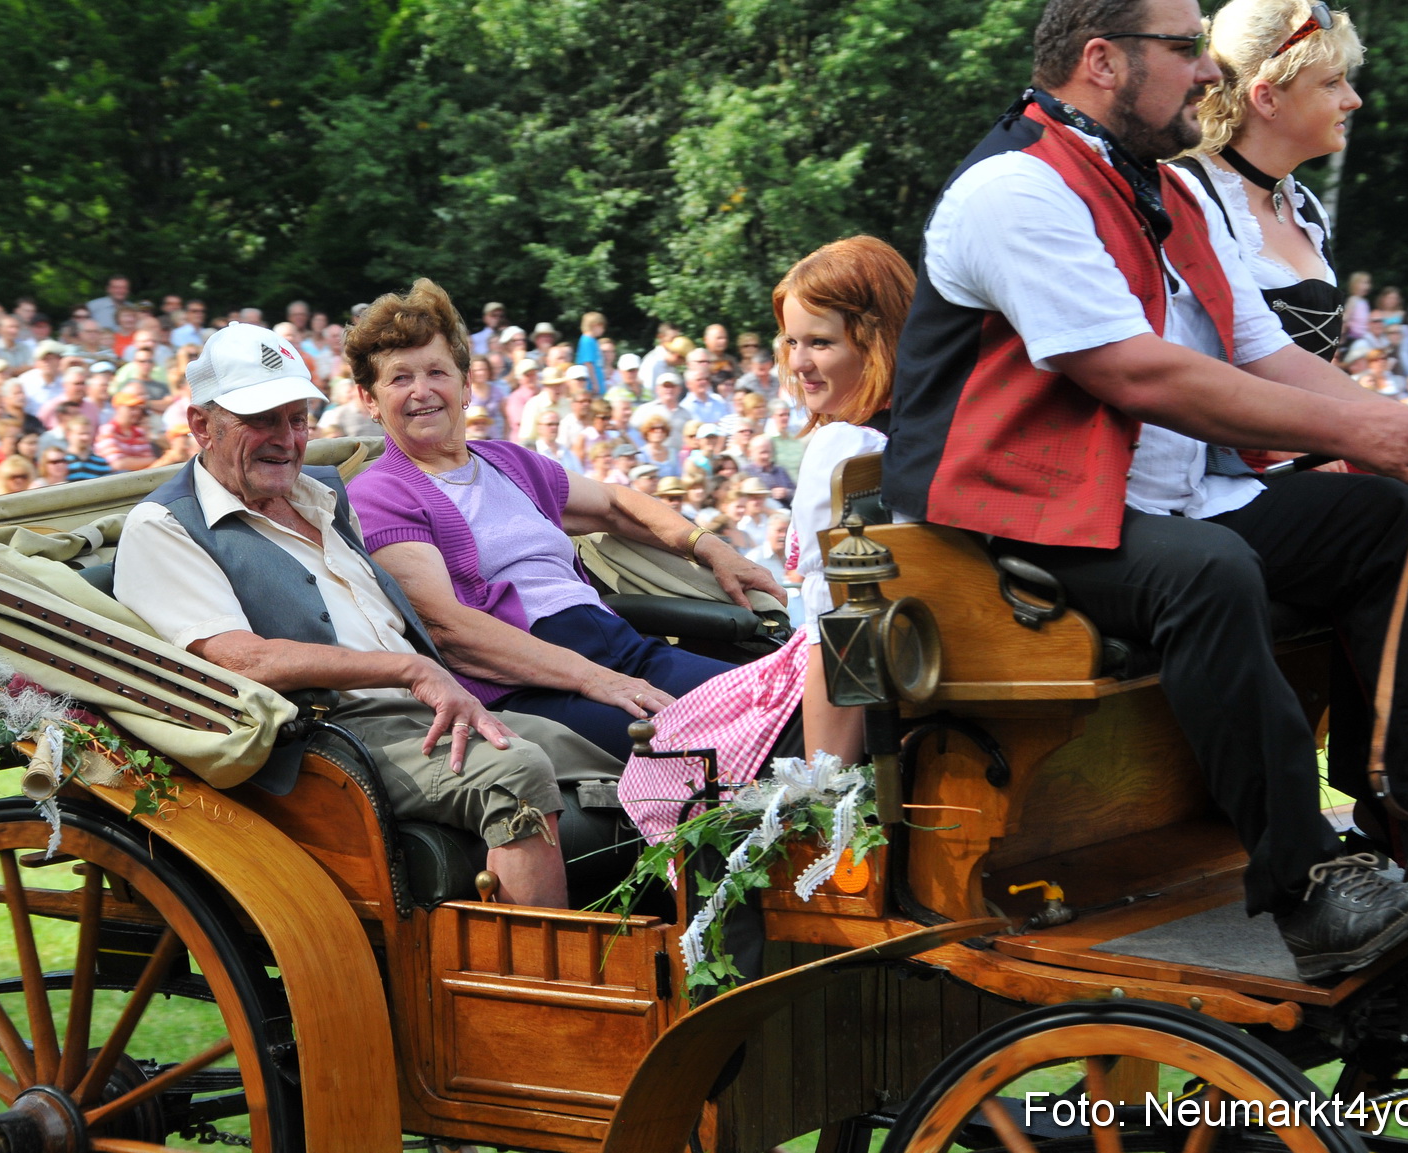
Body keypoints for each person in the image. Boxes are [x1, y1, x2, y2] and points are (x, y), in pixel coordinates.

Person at [881, 0, 1408, 981]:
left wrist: (1407, 427)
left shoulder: (1170, 190)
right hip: (1004, 522)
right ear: (1101, 61)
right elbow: (1135, 373)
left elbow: (1262, 352)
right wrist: (1358, 431)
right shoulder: (1011, 188)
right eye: (1183, 48)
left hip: (1145, 507)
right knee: (1205, 572)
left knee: (1388, 520)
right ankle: (1307, 889)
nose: (1208, 70)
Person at [113, 322, 617, 907]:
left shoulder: (323, 495)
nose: (286, 439)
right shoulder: (164, 525)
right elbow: (242, 660)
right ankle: (534, 967)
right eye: (262, 420)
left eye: (297, 419)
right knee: (517, 771)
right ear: (202, 425)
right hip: (331, 738)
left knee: (630, 753)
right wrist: (411, 670)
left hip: (428, 709)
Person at [1179, 0, 1408, 676]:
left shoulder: (1303, 206)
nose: (1353, 99)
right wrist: (1340, 440)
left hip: (1329, 447)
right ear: (1266, 98)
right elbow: (1200, 373)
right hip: (1241, 470)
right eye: (1332, 83)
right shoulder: (1190, 198)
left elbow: (1314, 364)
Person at [343, 279, 783, 763]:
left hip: (621, 645)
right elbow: (450, 631)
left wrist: (712, 548)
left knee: (785, 699)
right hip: (530, 684)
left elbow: (614, 504)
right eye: (399, 378)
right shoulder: (381, 492)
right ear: (369, 400)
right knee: (709, 746)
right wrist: (591, 677)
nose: (422, 391)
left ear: (465, 386)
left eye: (436, 372)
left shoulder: (508, 461)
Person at [618, 236, 915, 841]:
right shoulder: (932, 427)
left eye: (821, 343)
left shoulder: (843, 448)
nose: (799, 363)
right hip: (920, 674)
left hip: (864, 701)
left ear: (877, 340)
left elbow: (839, 627)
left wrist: (823, 787)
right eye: (791, 341)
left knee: (664, 770)